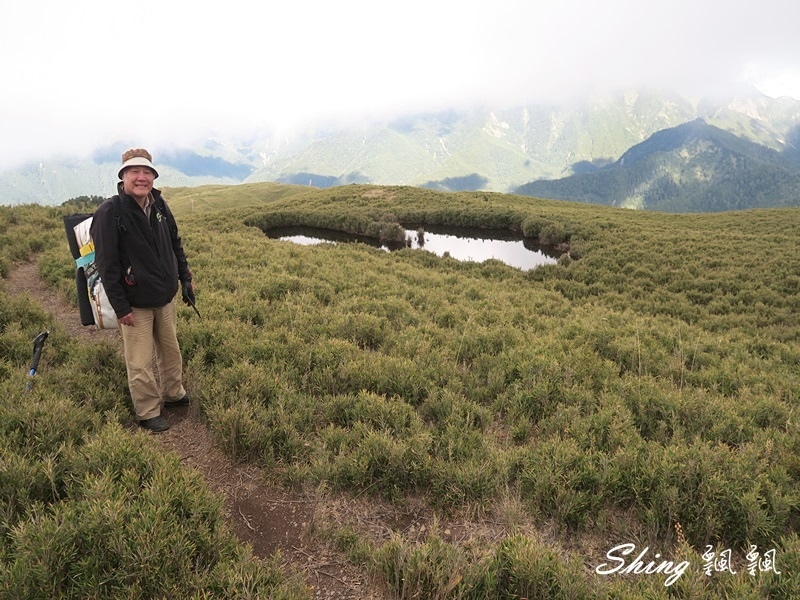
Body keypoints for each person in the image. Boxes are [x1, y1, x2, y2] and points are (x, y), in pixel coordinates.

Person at [90, 148, 195, 432]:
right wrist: (121, 307)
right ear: (123, 176)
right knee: (139, 360)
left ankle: (174, 394)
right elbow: (106, 265)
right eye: (135, 172)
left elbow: (175, 244)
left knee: (171, 351)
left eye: (147, 172)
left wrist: (185, 279)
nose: (141, 177)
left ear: (153, 177)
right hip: (135, 303)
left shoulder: (159, 205)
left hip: (164, 296)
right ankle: (147, 411)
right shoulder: (110, 212)